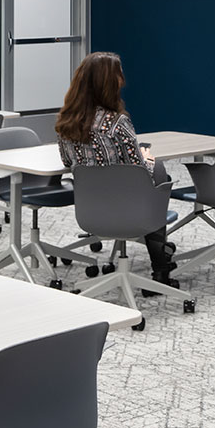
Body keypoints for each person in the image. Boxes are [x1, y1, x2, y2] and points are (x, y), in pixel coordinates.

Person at [55, 52, 178, 286]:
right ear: (109, 83)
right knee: (159, 173)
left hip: (93, 209)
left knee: (154, 175)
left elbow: (67, 163)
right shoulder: (116, 124)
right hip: (128, 207)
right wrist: (148, 157)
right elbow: (138, 169)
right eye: (119, 76)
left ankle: (161, 258)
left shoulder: (64, 124)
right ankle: (160, 265)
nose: (123, 81)